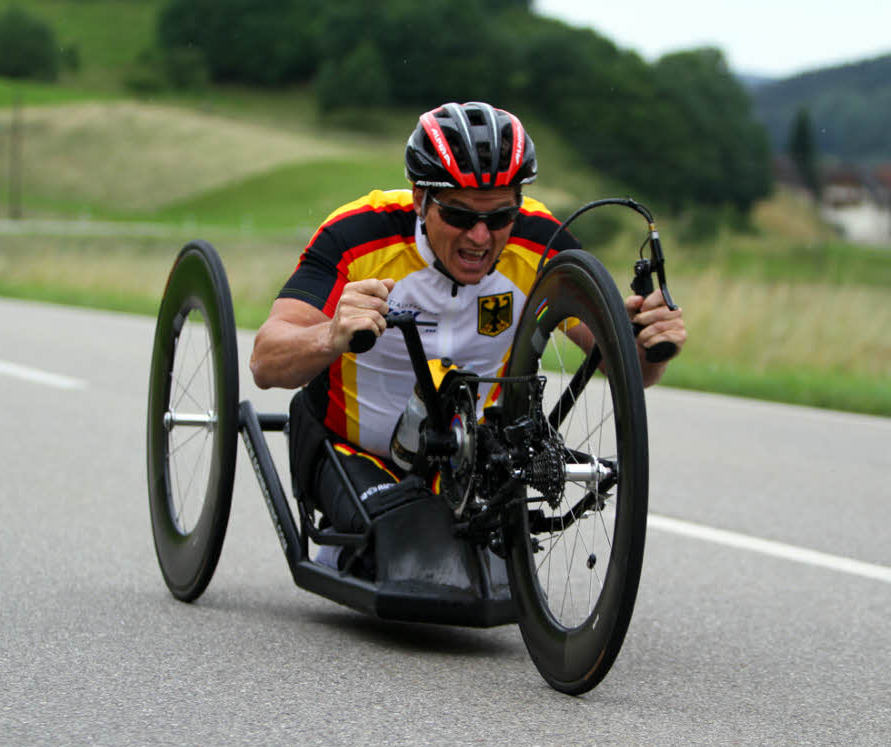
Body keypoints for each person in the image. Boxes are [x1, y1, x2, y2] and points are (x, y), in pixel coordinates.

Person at [250, 101, 686, 547]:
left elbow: (627, 369)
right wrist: (329, 335)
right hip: (350, 448)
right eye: (459, 215)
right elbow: (266, 361)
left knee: (482, 572)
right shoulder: (358, 235)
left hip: (465, 461)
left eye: (499, 217)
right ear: (420, 198)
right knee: (411, 550)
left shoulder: (539, 242)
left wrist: (649, 344)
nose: (480, 237)